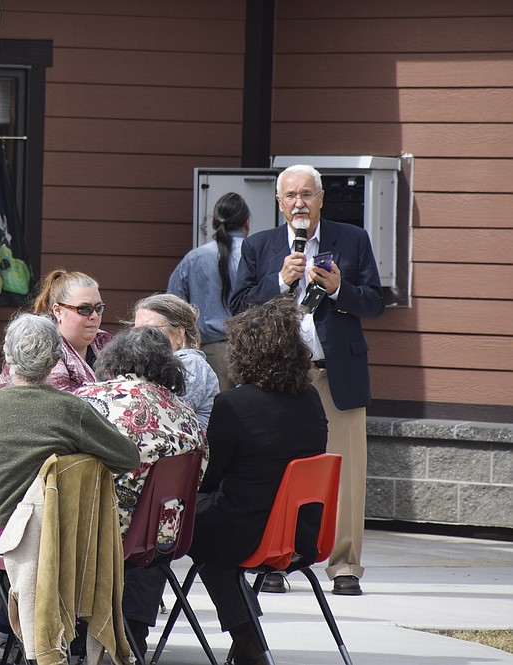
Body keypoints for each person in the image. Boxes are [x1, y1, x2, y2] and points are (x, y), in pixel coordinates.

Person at [0, 313, 139, 665]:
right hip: (48, 534)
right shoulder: (71, 410)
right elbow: (128, 457)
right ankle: (38, 639)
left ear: (7, 357)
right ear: (55, 360)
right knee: (33, 545)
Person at [231, 164, 384, 596]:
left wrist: (339, 289)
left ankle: (345, 566)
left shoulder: (352, 240)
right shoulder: (259, 247)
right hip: (279, 377)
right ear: (279, 203)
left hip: (336, 373)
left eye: (307, 194)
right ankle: (274, 559)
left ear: (321, 199)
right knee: (276, 468)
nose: (299, 202)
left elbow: (375, 303)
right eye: (291, 195)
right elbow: (238, 306)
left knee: (346, 470)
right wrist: (280, 280)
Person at [188, 297, 327, 665]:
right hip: (300, 533)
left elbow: (209, 477)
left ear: (246, 351)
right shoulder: (311, 398)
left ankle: (250, 648)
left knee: (187, 528)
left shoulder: (234, 405)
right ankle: (248, 646)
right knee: (207, 533)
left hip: (250, 530)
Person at [74, 326, 207, 657]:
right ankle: (132, 630)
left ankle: (58, 634)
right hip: (160, 538)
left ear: (114, 357)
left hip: (97, 534)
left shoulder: (89, 399)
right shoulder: (187, 415)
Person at [167, 191, 250, 390]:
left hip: (209, 354)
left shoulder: (195, 258)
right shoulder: (256, 253)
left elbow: (171, 306)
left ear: (213, 222)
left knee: (213, 416)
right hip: (252, 352)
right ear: (246, 223)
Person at [0, 269, 110, 393]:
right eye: (84, 309)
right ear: (58, 311)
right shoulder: (41, 346)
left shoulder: (105, 342)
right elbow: (59, 403)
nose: (94, 316)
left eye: (99, 308)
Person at [130, 293, 221, 429]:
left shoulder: (190, 363)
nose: (140, 337)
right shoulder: (152, 364)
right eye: (137, 331)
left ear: (179, 333)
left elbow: (169, 412)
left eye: (151, 330)